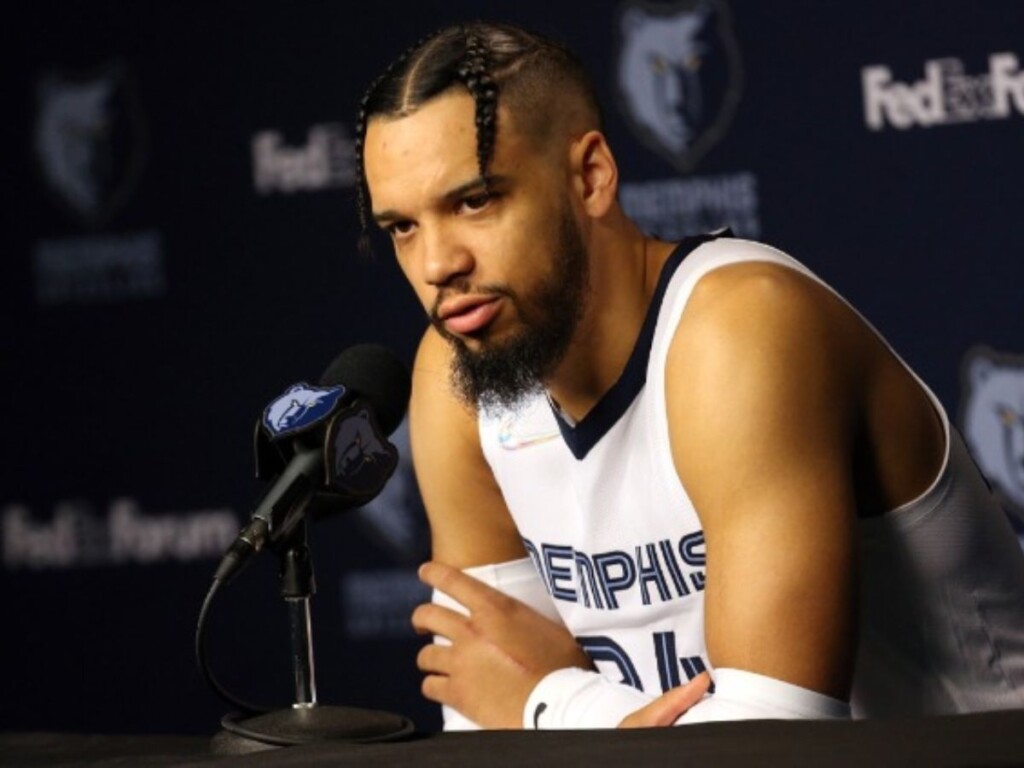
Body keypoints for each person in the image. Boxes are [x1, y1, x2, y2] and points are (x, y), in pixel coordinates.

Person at [355, 21, 1024, 730]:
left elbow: (768, 745)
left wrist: (551, 700)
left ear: (590, 177)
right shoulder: (459, 370)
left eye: (474, 201)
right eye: (403, 227)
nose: (435, 265)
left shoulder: (741, 327)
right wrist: (551, 708)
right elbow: (482, 710)